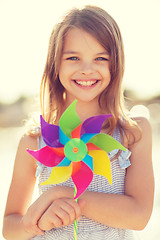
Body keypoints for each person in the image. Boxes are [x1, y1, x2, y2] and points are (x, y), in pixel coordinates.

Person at [3, 5, 154, 240]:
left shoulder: (132, 132)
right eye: (73, 57)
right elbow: (10, 228)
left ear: (115, 65)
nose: (87, 69)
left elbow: (139, 216)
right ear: (56, 64)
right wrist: (38, 221)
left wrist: (62, 194)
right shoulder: (34, 140)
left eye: (100, 58)